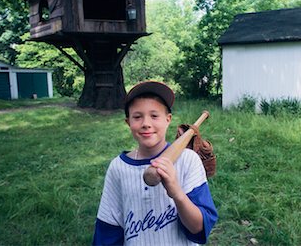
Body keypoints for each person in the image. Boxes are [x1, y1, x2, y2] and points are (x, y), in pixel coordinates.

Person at [92, 81, 218, 245]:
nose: (146, 123)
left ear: (168, 119)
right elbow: (108, 231)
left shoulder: (187, 160)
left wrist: (177, 193)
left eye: (154, 115)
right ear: (128, 122)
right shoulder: (118, 168)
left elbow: (199, 228)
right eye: (137, 117)